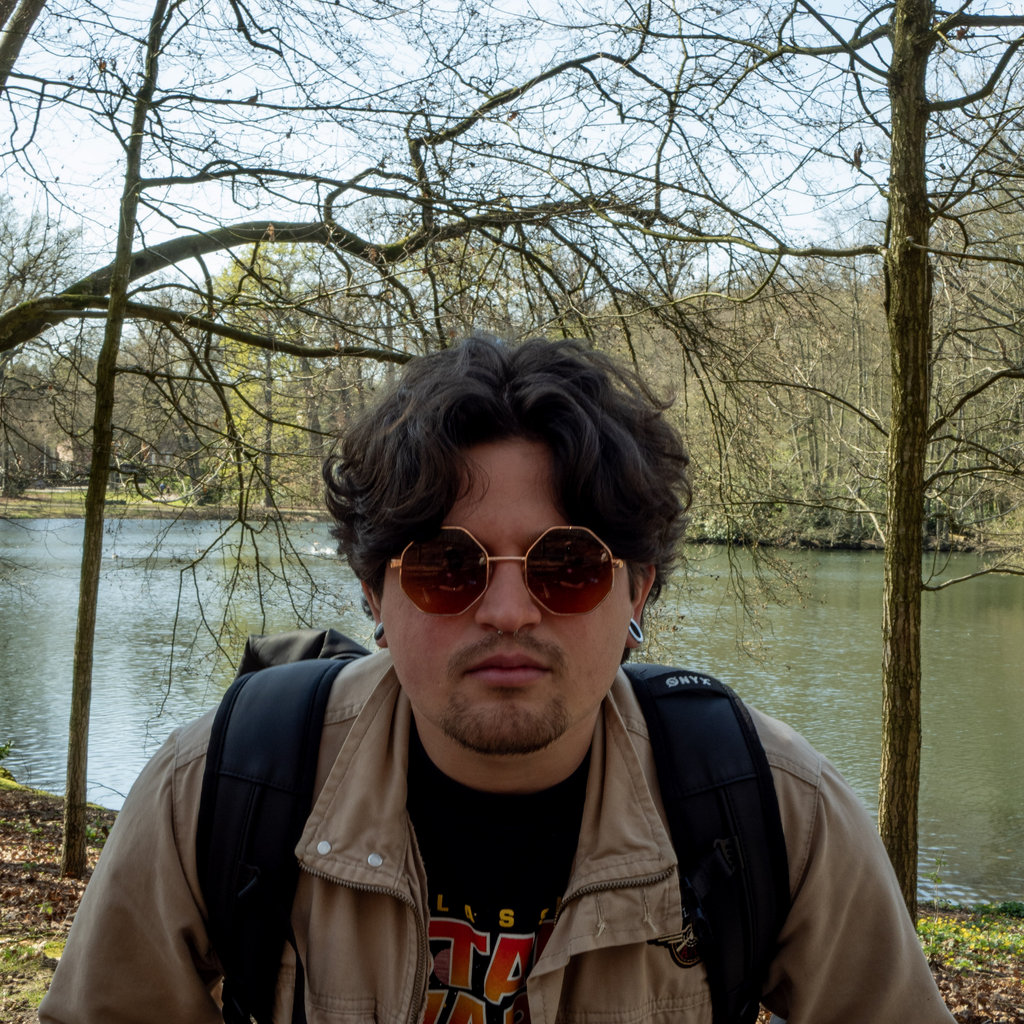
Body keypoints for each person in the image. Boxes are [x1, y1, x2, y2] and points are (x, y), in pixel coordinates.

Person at [39, 336, 955, 1024]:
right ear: (374, 594)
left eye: (568, 566)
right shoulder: (216, 786)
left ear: (637, 592)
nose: (509, 610)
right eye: (449, 566)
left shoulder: (773, 807)